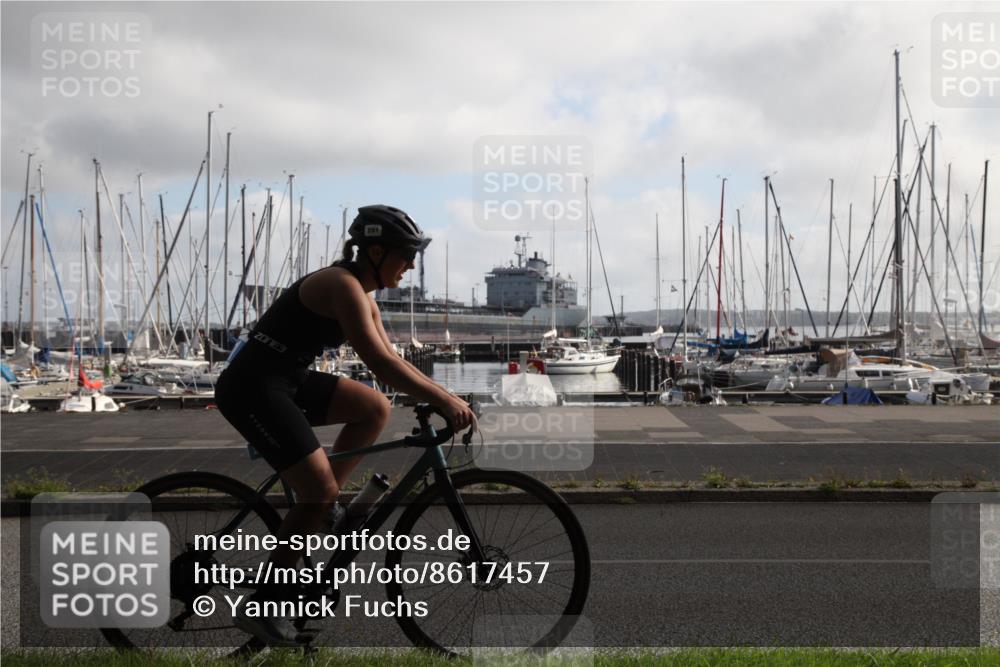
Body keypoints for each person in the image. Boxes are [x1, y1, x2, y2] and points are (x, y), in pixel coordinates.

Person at [213, 205, 477, 645]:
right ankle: (264, 605)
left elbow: (393, 361)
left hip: (285, 381)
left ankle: (320, 507)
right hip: (251, 388)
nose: (410, 266)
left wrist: (448, 396)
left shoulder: (362, 294)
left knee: (373, 408)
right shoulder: (342, 286)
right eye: (405, 256)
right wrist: (443, 400)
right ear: (375, 251)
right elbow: (377, 362)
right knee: (317, 493)